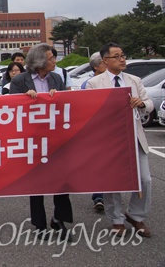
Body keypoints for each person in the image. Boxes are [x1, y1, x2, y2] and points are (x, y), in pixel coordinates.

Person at [86, 42, 153, 238]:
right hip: (110, 140)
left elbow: (148, 104)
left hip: (134, 137)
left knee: (145, 179)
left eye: (123, 55)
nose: (122, 59)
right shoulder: (95, 83)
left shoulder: (134, 80)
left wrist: (140, 103)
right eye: (117, 56)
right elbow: (90, 110)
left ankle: (136, 215)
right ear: (105, 61)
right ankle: (116, 219)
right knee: (113, 181)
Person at [9, 43, 72, 241]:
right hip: (33, 139)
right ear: (40, 61)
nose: (54, 61)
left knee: (61, 181)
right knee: (36, 182)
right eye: (51, 58)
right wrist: (24, 99)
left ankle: (59, 219)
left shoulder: (56, 78)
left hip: (55, 137)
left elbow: (66, 106)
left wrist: (59, 98)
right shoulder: (20, 80)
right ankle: (39, 223)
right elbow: (11, 108)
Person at [80, 52, 107, 211]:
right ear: (97, 66)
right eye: (104, 63)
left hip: (113, 130)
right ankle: (99, 196)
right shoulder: (89, 83)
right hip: (97, 130)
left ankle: (109, 194)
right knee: (100, 164)